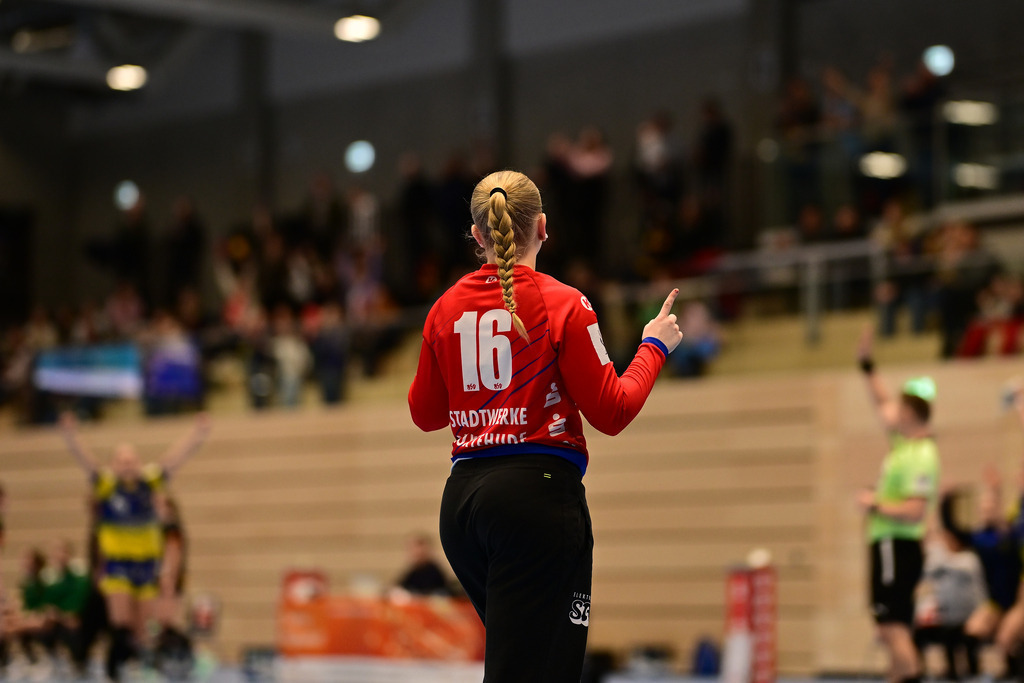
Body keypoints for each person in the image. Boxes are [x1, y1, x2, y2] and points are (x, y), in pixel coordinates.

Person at [408, 170, 683, 682]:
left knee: (524, 664)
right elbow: (613, 411)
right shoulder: (564, 303)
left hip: (464, 506)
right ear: (543, 227)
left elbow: (424, 414)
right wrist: (654, 346)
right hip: (535, 502)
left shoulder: (444, 309)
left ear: (477, 235)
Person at [58, 411, 211, 681]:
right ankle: (116, 669)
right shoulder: (106, 485)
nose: (127, 466)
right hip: (118, 564)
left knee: (143, 629)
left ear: (139, 463)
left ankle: (139, 666)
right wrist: (71, 436)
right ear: (114, 465)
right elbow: (86, 461)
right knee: (121, 623)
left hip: (146, 565)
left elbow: (176, 459)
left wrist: (197, 435)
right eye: (121, 461)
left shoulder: (149, 481)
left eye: (132, 461)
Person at [856, 328, 941, 683]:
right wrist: (866, 365)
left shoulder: (921, 454)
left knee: (890, 625)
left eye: (900, 407)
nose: (893, 411)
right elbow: (881, 401)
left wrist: (874, 503)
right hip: (890, 544)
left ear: (910, 412)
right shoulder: (903, 444)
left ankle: (912, 675)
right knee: (894, 626)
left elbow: (915, 510)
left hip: (897, 543)